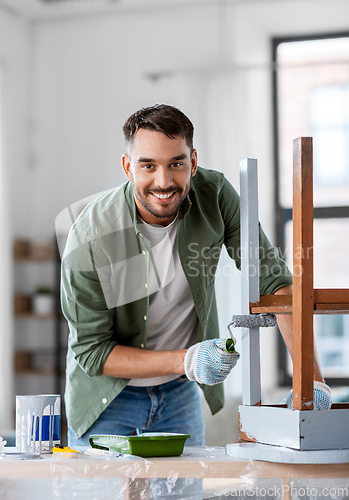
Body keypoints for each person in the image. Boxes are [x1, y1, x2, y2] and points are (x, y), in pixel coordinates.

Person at [61, 104, 331, 448]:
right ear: (129, 167)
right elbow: (92, 353)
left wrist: (312, 382)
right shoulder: (90, 236)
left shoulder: (215, 195)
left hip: (179, 395)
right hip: (108, 404)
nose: (164, 181)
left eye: (176, 163)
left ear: (193, 162)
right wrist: (186, 359)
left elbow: (273, 280)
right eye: (148, 166)